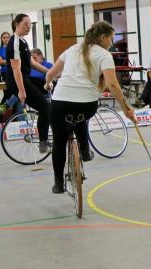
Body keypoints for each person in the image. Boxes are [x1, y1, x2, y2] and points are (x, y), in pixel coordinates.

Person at [44, 21, 136, 194]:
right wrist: (125, 107)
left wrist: (47, 83)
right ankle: (85, 152)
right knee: (80, 115)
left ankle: (58, 183)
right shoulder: (104, 55)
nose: (112, 43)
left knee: (59, 142)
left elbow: (50, 73)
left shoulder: (72, 49)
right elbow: (113, 85)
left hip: (60, 103)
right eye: (111, 39)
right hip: (87, 105)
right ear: (102, 38)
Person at [6, 14, 51, 153]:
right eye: (26, 24)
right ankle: (43, 142)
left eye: (30, 24)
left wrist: (50, 73)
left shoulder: (23, 42)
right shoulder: (14, 43)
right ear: (17, 23)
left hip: (26, 78)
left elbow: (32, 63)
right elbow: (16, 69)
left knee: (48, 84)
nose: (29, 27)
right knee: (45, 107)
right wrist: (21, 91)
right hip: (17, 81)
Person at [0, 32, 11, 104]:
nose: (6, 39)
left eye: (8, 37)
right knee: (7, 93)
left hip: (14, 72)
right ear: (1, 39)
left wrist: (5, 61)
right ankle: (0, 111)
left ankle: (13, 112)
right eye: (4, 38)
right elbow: (0, 62)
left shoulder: (13, 48)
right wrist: (12, 61)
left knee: (13, 93)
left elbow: (18, 60)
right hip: (5, 73)